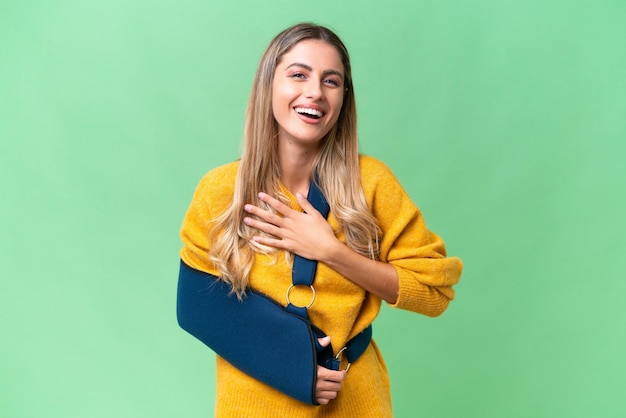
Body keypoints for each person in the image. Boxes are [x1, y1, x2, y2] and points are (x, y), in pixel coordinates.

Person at [177, 22, 463, 417]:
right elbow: (196, 305)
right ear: (268, 86)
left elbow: (434, 294)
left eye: (332, 81)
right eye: (298, 74)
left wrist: (330, 251)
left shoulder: (371, 184)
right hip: (253, 403)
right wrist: (292, 364)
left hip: (354, 399)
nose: (314, 92)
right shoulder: (221, 191)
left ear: (344, 97)